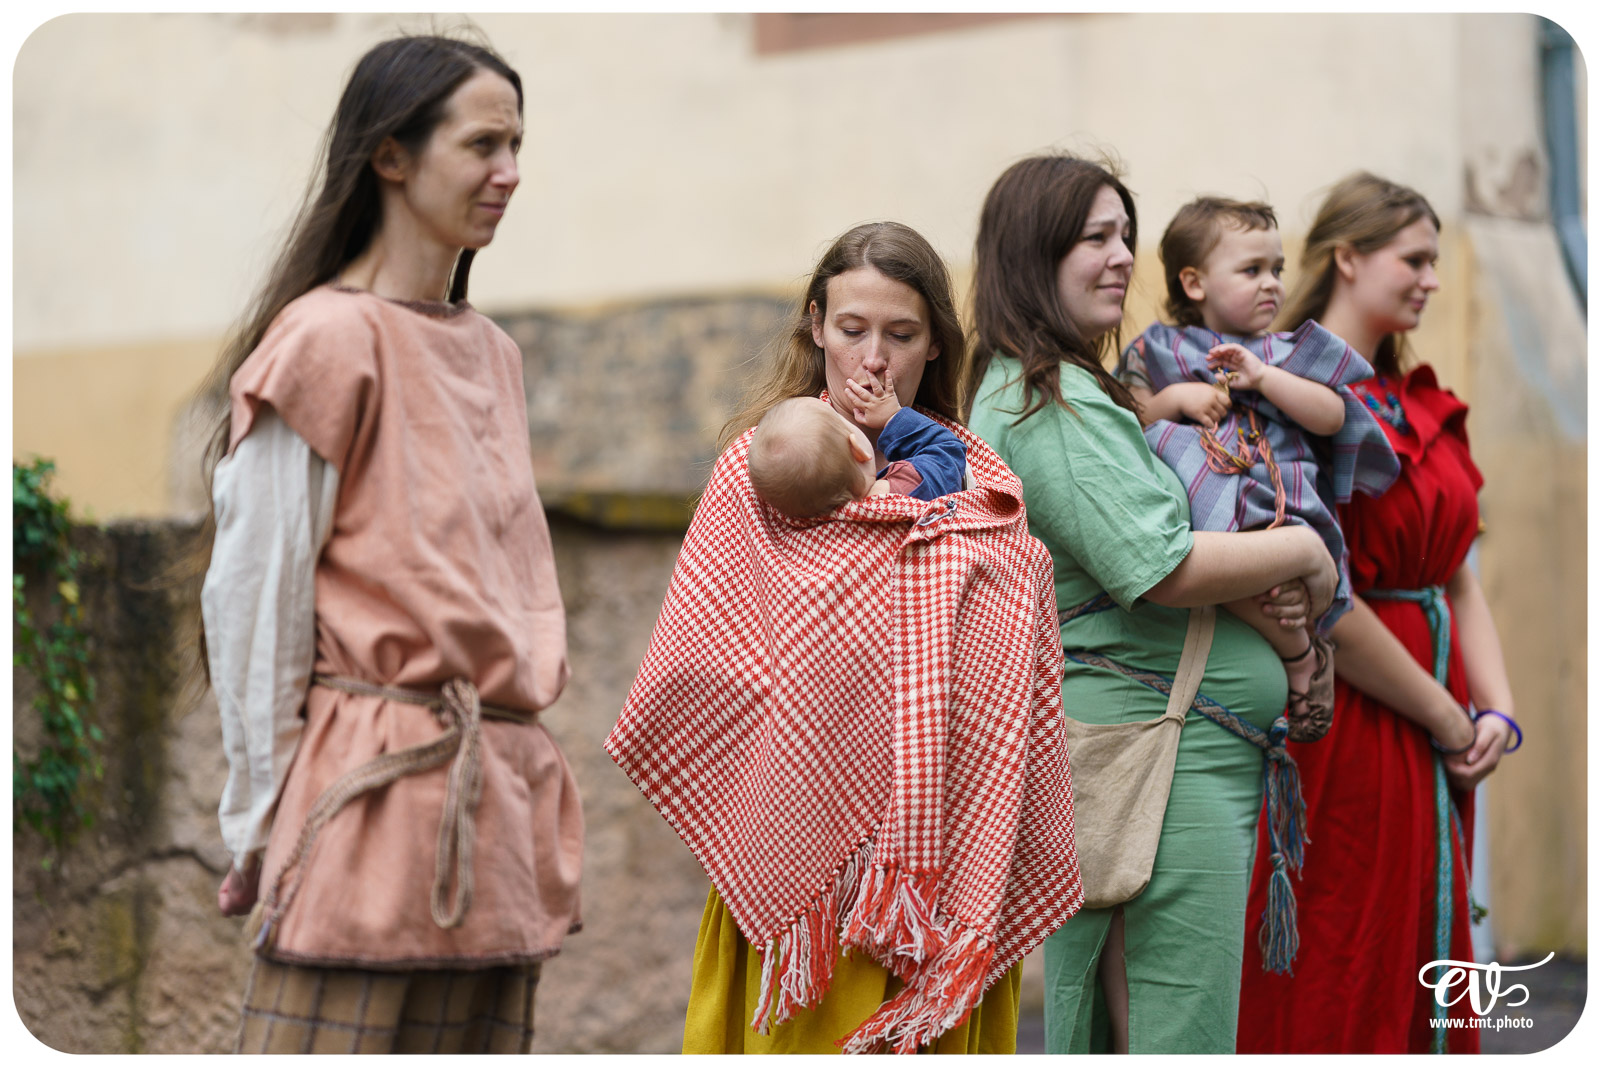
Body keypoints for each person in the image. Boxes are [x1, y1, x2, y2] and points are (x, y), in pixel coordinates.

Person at [196, 34, 582, 1053]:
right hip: (361, 821)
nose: (509, 173)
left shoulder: (490, 351)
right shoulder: (325, 339)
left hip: (488, 824)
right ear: (391, 156)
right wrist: (258, 818)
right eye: (483, 145)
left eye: (517, 145)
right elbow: (253, 601)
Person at [607, 221, 1079, 1053]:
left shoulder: (977, 485)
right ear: (816, 324)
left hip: (945, 864)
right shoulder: (755, 473)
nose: (874, 358)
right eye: (854, 329)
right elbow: (706, 661)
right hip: (801, 881)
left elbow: (1013, 659)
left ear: (935, 344)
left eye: (900, 335)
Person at [963, 154, 1340, 1054]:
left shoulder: (1065, 388)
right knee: (1173, 1030)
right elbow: (1161, 568)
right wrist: (1307, 551)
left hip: (1170, 748)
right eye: (1096, 237)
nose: (1123, 255)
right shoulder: (1039, 397)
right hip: (1155, 758)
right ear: (1032, 255)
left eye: (1125, 233)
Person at [1237, 173, 1518, 1054]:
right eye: (1416, 257)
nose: (1432, 277)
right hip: (1349, 713)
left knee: (1419, 951)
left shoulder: (1421, 402)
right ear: (1349, 258)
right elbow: (1320, 600)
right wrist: (1445, 714)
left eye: (1437, 258)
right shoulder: (1282, 392)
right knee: (1341, 955)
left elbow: (1460, 576)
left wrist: (1496, 715)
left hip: (1438, 716)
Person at [1117, 196, 1401, 739]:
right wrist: (1176, 397)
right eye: (1252, 270)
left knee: (1280, 577)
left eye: (1277, 269)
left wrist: (1265, 378)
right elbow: (1129, 422)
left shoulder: (1286, 349)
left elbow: (1333, 415)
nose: (1272, 282)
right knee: (1171, 445)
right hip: (1206, 514)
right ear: (1194, 283)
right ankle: (1301, 657)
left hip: (1281, 502)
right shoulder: (1154, 349)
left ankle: (1297, 637)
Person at [747, 383, 967, 518]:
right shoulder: (899, 492)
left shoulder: (811, 527)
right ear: (858, 449)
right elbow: (948, 452)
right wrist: (894, 418)